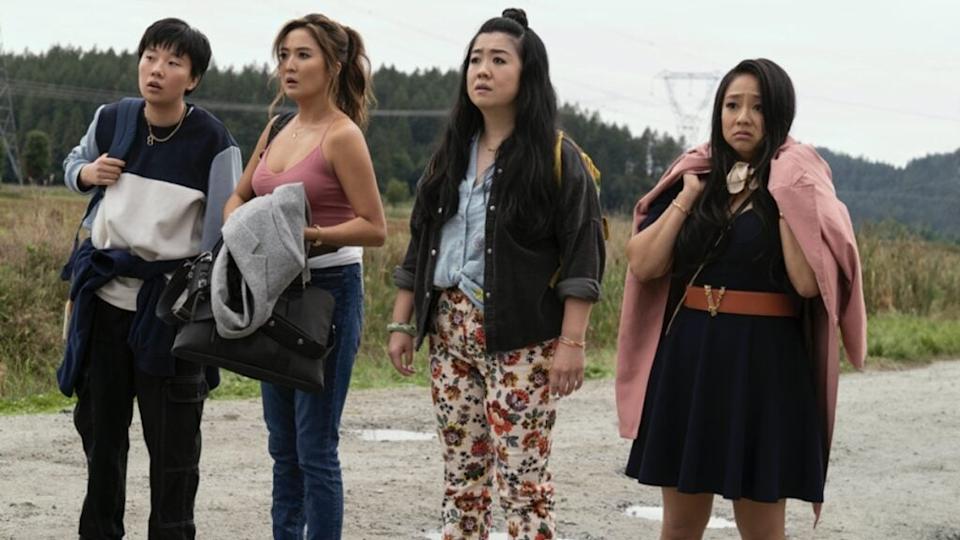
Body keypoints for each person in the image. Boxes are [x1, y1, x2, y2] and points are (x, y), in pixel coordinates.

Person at [616, 58, 867, 539]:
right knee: (679, 527)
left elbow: (806, 283)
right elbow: (643, 264)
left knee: (763, 532)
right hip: (692, 358)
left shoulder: (800, 181)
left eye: (758, 107)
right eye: (732, 105)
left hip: (765, 363)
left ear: (780, 114)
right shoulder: (696, 173)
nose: (743, 118)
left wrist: (786, 196)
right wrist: (688, 196)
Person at [387, 8, 605, 540]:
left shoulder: (557, 157)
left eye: (499, 60)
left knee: (523, 484)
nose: (482, 70)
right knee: (461, 479)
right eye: (475, 59)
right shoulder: (449, 156)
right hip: (449, 334)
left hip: (522, 341)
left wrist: (571, 343)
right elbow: (420, 243)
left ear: (528, 75)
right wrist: (401, 322)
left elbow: (583, 254)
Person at [60, 17, 242, 539]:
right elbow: (74, 162)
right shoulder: (112, 118)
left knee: (174, 448)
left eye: (172, 62)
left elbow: (222, 235)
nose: (156, 70)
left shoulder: (213, 141)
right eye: (150, 57)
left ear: (193, 78)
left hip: (169, 311)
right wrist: (86, 174)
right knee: (101, 438)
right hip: (104, 303)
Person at [221, 13, 386, 540]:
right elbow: (239, 195)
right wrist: (240, 225)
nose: (288, 66)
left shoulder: (343, 136)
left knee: (315, 447)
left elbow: (375, 227)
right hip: (272, 291)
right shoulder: (276, 129)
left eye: (302, 55)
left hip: (327, 294)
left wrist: (307, 235)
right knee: (283, 446)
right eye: (283, 56)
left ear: (333, 65)